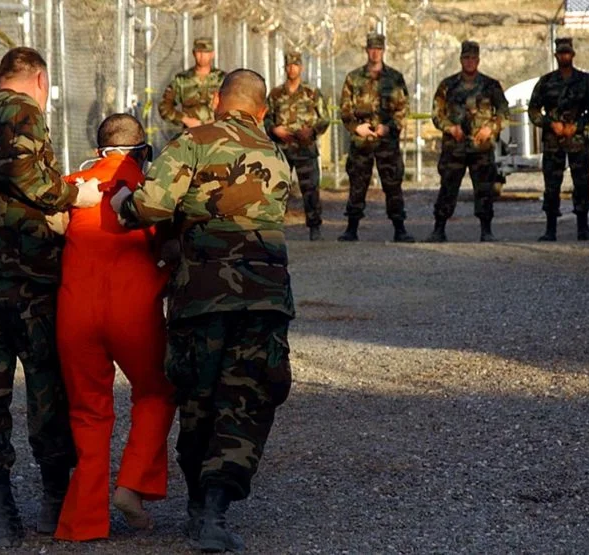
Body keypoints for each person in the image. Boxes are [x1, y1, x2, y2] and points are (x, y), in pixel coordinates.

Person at [111, 69, 295, 553]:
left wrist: (122, 203)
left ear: (217, 100)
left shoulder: (190, 142)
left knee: (199, 394)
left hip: (202, 294)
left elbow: (151, 207)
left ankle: (198, 504)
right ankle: (214, 507)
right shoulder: (276, 156)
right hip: (263, 295)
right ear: (261, 110)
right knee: (248, 397)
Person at [0, 47, 101, 548]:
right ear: (40, 79)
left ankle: (1, 510)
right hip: (22, 276)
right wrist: (76, 198)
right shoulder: (19, 109)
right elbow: (22, 171)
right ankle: (54, 500)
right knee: (48, 386)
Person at [53, 114, 176, 541]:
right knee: (157, 391)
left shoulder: (72, 185)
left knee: (88, 413)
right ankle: (132, 485)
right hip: (134, 310)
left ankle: (83, 523)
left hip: (75, 312)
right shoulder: (148, 191)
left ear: (98, 146)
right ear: (142, 149)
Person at [427, 40, 509, 243]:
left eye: (473, 58)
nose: (470, 61)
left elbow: (504, 112)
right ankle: (439, 229)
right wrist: (450, 128)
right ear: (461, 59)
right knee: (448, 187)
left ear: (478, 60)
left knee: (484, 189)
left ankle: (486, 230)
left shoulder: (491, 85)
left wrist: (490, 128)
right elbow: (437, 114)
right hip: (454, 147)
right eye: (466, 58)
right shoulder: (447, 86)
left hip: (481, 147)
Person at [338, 33, 415, 242]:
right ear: (366, 50)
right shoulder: (354, 78)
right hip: (362, 142)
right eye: (372, 48)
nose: (375, 52)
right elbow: (345, 110)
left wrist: (389, 127)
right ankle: (351, 228)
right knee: (357, 184)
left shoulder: (394, 78)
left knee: (392, 184)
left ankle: (400, 228)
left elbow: (403, 109)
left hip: (386, 142)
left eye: (378, 49)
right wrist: (356, 128)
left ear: (383, 51)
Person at [527, 37, 589, 241]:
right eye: (561, 53)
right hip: (553, 142)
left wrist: (578, 126)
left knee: (581, 183)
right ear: (556, 55)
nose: (564, 56)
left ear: (573, 54)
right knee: (552, 185)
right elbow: (533, 110)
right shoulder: (546, 81)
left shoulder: (585, 80)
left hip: (578, 140)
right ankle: (550, 229)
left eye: (567, 53)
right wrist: (550, 124)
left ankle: (583, 228)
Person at [265, 51, 330, 241]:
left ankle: (314, 228)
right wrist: (274, 130)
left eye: (295, 65)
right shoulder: (276, 94)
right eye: (288, 65)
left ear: (301, 68)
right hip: (282, 149)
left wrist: (312, 131)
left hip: (305, 148)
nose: (291, 69)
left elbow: (324, 118)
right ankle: (274, 229)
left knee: (310, 190)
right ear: (284, 68)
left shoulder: (311, 93)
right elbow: (267, 117)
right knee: (277, 189)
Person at [159, 37, 227, 130]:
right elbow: (165, 107)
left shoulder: (223, 79)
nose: (202, 56)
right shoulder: (182, 79)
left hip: (217, 132)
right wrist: (185, 120)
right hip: (191, 133)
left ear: (212, 54)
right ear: (194, 53)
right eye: (199, 52)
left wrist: (218, 119)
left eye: (206, 52)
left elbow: (233, 106)